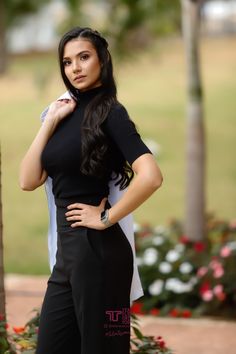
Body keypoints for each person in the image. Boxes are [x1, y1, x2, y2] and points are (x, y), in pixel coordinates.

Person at [19, 27, 163, 354]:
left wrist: (106, 217)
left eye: (84, 57)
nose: (76, 68)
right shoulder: (62, 112)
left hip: (99, 250)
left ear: (102, 60)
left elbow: (151, 176)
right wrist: (49, 121)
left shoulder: (111, 112)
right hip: (66, 255)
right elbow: (28, 180)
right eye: (68, 62)